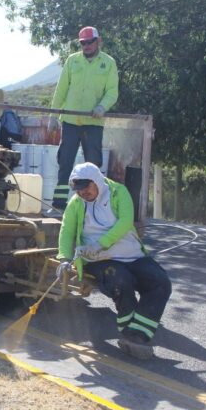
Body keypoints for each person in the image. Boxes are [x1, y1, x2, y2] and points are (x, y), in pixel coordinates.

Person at [55, 162, 171, 359]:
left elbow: (126, 221)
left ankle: (138, 335)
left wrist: (102, 243)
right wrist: (64, 258)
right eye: (79, 190)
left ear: (97, 181)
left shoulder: (119, 192)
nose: (83, 193)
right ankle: (129, 333)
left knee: (161, 283)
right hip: (98, 260)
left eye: (86, 188)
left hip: (131, 254)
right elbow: (67, 231)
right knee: (121, 281)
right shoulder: (76, 204)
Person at [47, 26, 119, 212]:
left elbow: (112, 91)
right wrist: (53, 116)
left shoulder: (108, 63)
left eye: (90, 42)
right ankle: (58, 205)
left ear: (98, 41)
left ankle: (94, 206)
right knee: (65, 163)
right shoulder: (72, 61)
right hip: (70, 121)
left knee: (93, 166)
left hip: (93, 123)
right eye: (83, 43)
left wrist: (102, 107)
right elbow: (61, 89)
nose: (86, 46)